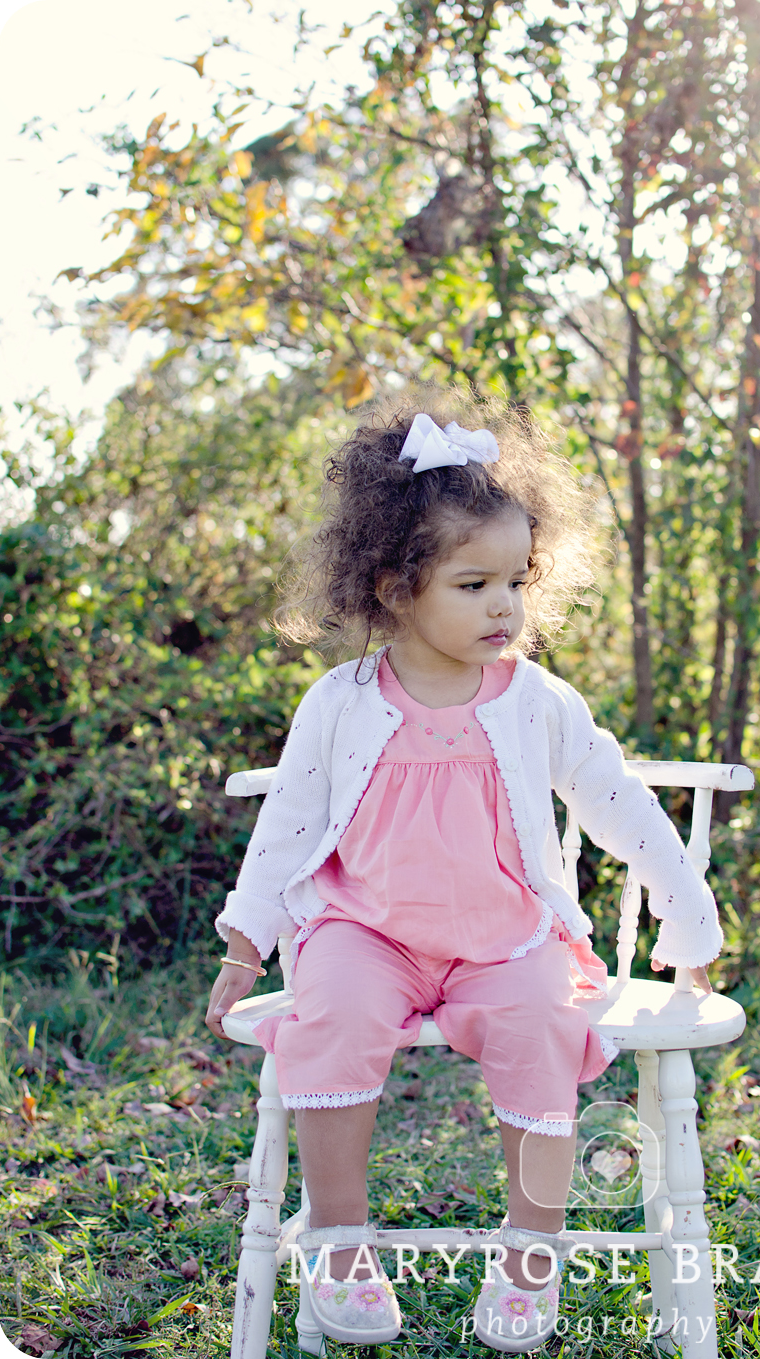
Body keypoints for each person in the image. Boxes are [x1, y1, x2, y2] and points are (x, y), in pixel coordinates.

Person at [205, 389, 722, 1353]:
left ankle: (530, 1253)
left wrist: (685, 916)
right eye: (473, 582)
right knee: (331, 1016)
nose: (504, 605)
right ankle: (340, 1243)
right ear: (396, 586)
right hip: (368, 930)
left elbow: (620, 805)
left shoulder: (536, 700)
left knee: (543, 1025)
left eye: (517, 580)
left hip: (506, 937)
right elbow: (287, 827)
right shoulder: (341, 701)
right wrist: (246, 943)